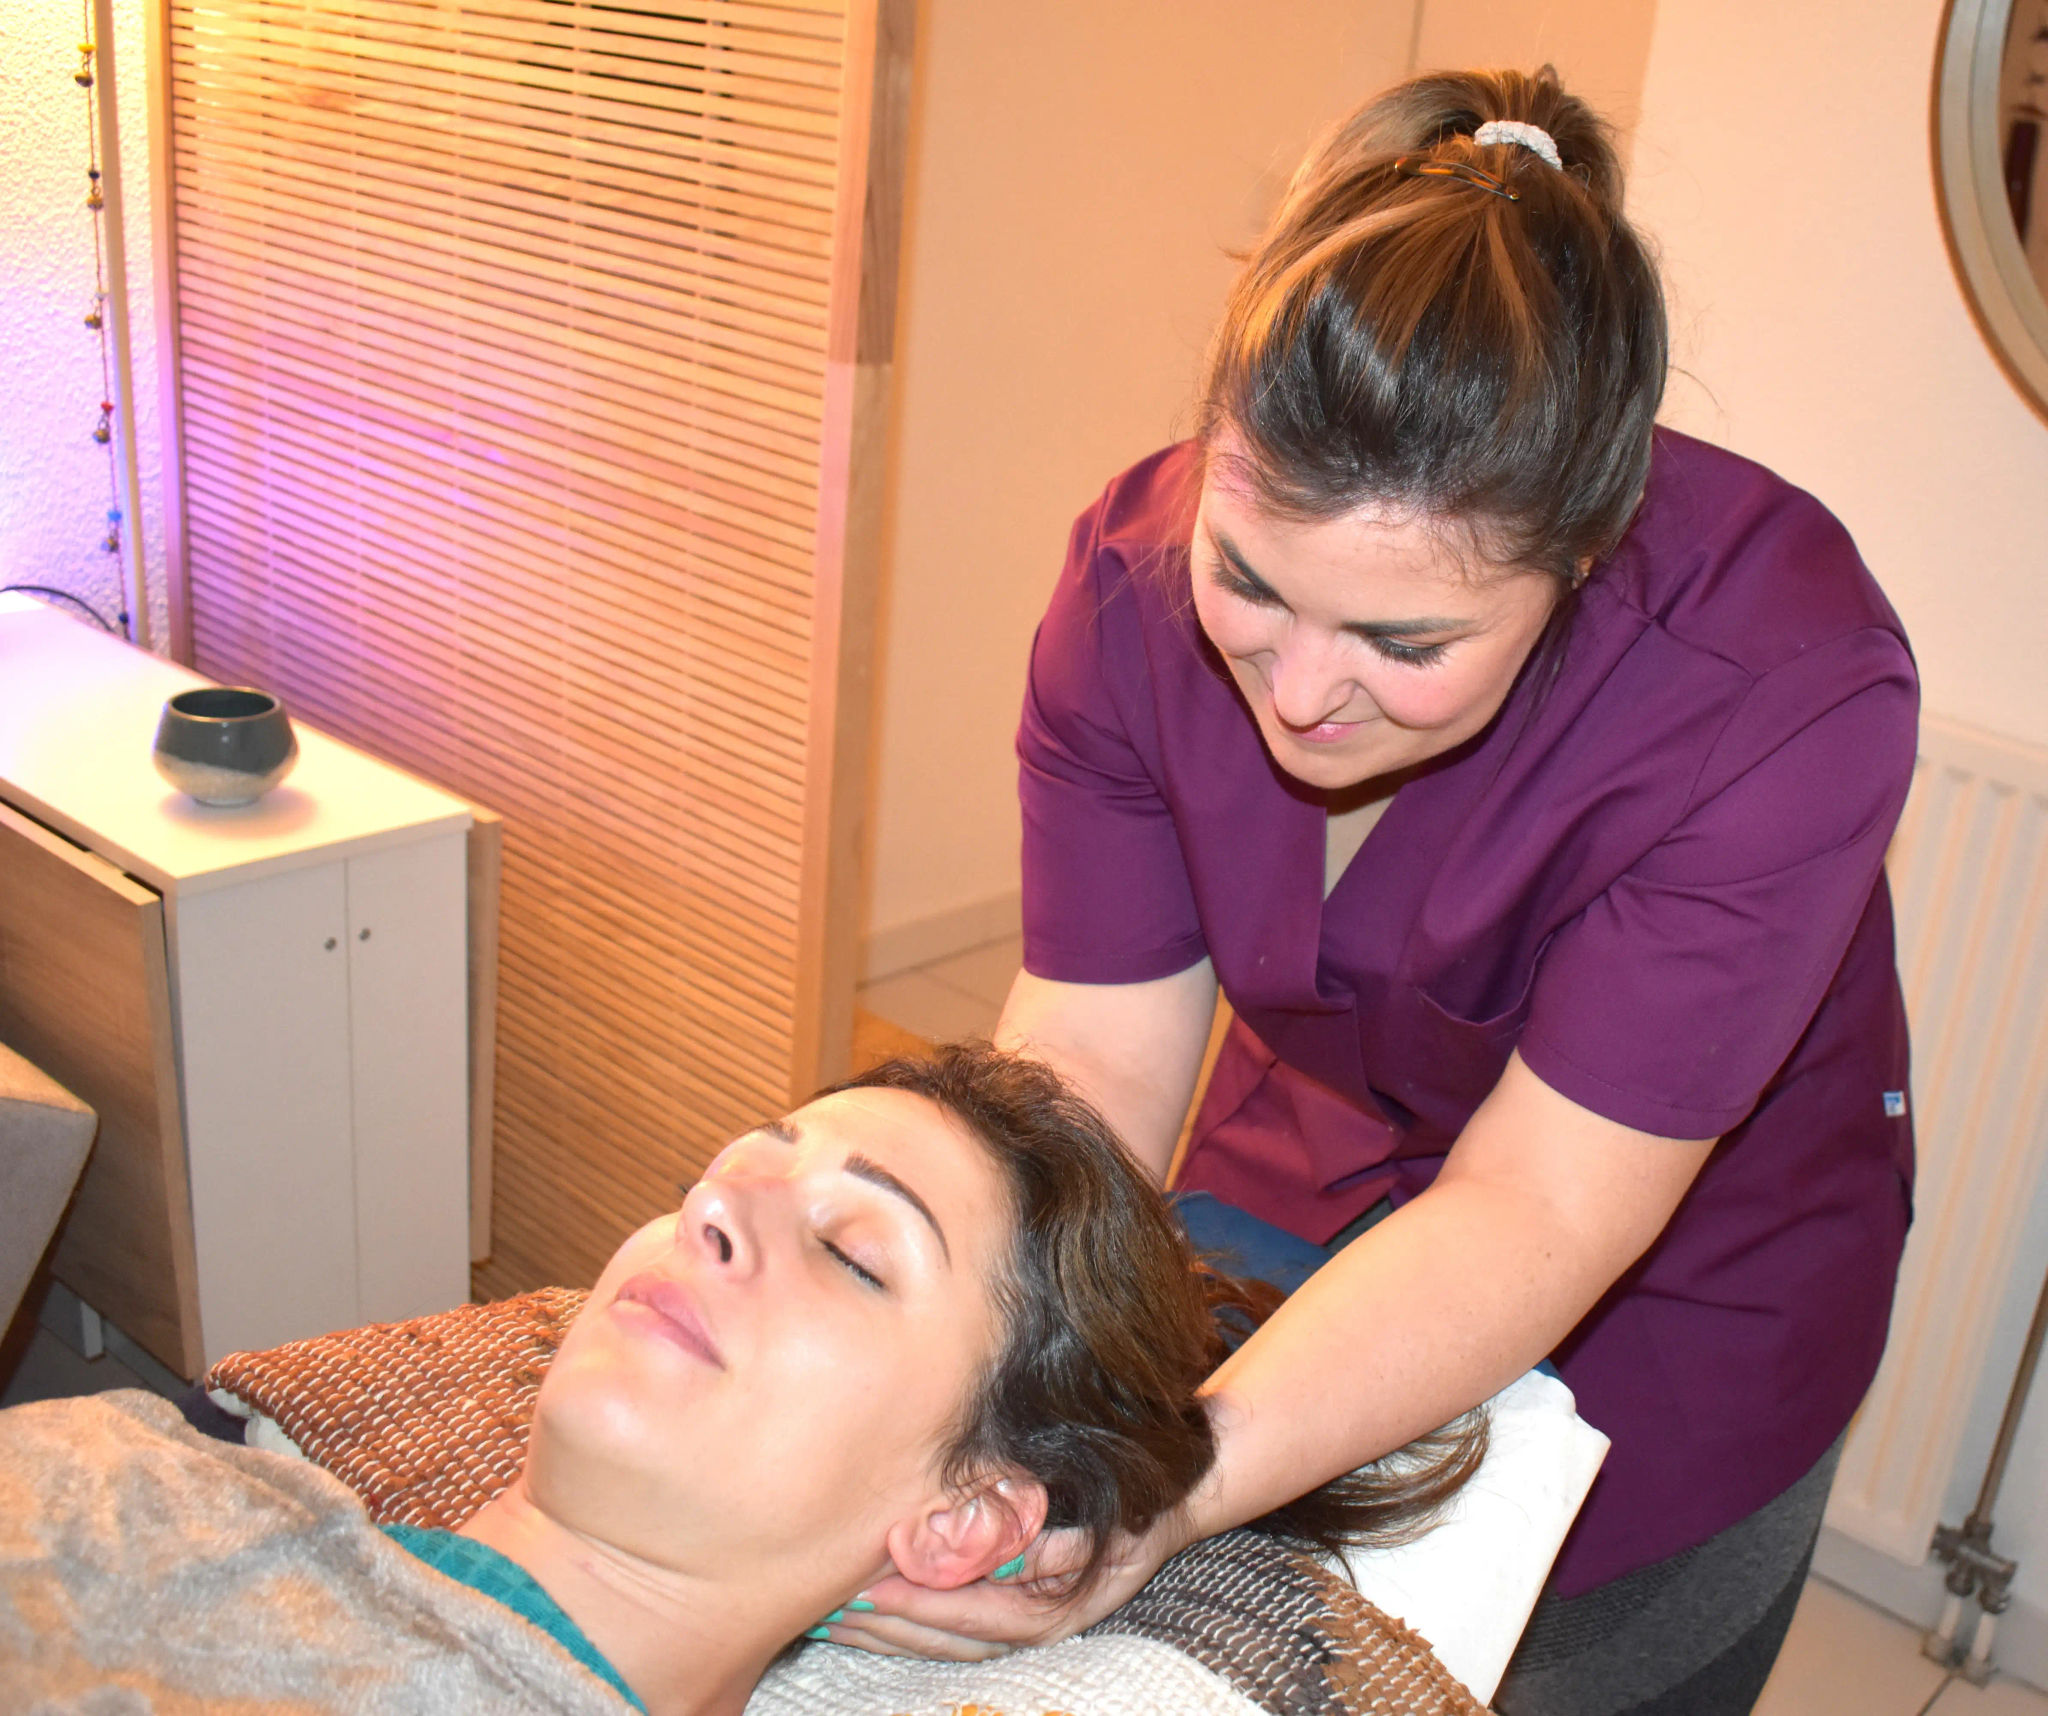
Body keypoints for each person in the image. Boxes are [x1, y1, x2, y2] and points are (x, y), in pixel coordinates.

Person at [825, 67, 1919, 1716]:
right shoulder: (1127, 588)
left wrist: (1172, 1492)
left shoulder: (1779, 689)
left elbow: (1538, 1211)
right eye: (1250, 583)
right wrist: (994, 1377)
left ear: (1584, 557)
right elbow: (1097, 1064)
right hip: (1314, 1171)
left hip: (1683, 1283)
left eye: (1407, 644)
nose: (1302, 690)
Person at [0, 1046, 1480, 1716]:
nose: (713, 1213)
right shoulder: (144, 1468)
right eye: (728, 1178)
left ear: (964, 1521)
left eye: (851, 1252)